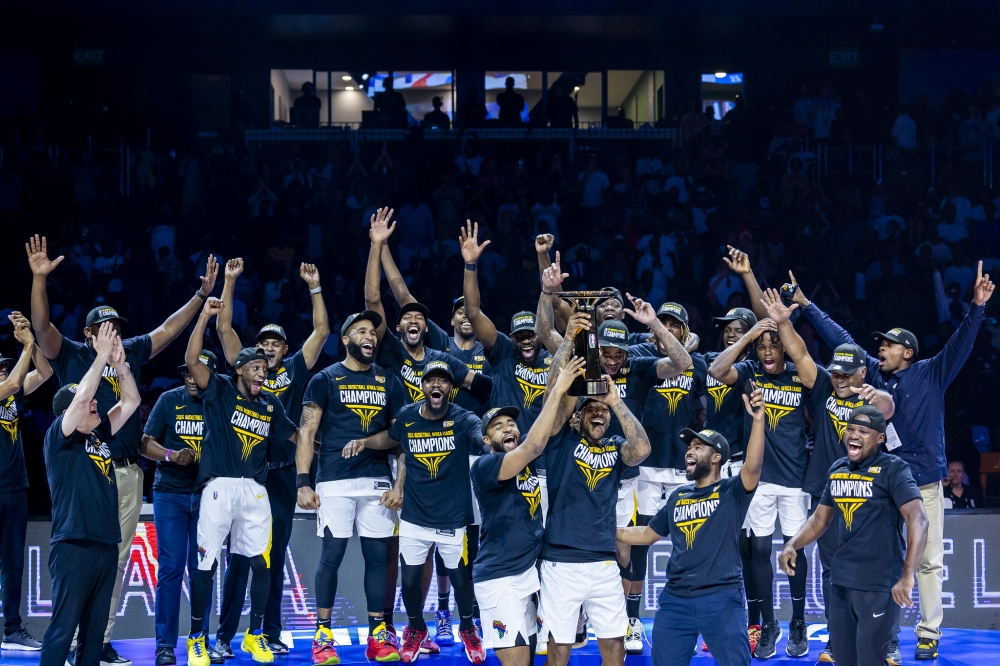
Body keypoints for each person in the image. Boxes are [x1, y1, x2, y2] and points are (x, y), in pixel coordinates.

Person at [27, 234, 219, 666]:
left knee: (114, 560)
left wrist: (200, 295)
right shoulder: (74, 355)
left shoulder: (123, 356)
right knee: (81, 573)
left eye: (119, 328)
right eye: (107, 329)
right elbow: (42, 329)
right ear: (90, 333)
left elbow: (168, 332)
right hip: (80, 468)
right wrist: (40, 281)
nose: (116, 335)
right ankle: (76, 641)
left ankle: (101, 637)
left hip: (123, 468)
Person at [789, 262, 995, 660]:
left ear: (908, 351)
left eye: (887, 344)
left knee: (929, 561)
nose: (879, 347)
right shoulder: (877, 378)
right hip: (882, 482)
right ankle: (887, 638)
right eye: (879, 344)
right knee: (883, 563)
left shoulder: (931, 372)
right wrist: (807, 305)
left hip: (924, 479)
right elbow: (841, 339)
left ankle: (929, 632)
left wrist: (977, 307)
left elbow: (962, 343)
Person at [537, 264, 692, 653]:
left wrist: (655, 324)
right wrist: (567, 326)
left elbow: (683, 364)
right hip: (575, 465)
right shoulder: (585, 363)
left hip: (621, 467)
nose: (610, 360)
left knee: (625, 548)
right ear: (597, 346)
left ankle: (631, 617)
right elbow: (551, 384)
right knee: (574, 534)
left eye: (617, 354)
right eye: (604, 352)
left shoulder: (637, 365)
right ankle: (574, 616)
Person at [214, 259, 330, 656]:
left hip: (282, 477)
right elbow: (224, 330)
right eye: (263, 344)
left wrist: (314, 287)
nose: (268, 348)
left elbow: (322, 331)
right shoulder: (247, 369)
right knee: (240, 558)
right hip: (247, 475)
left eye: (276, 343)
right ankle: (226, 635)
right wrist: (229, 283)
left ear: (285, 347)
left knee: (273, 557)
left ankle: (268, 631)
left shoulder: (297, 367)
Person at [341, 361, 488, 664]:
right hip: (414, 518)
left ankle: (469, 629)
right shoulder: (408, 416)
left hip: (452, 519)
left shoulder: (463, 419)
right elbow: (390, 438)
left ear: (450, 388)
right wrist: (365, 442)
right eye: (431, 380)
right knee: (409, 582)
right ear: (423, 386)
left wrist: (490, 443)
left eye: (443, 381)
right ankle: (417, 629)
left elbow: (479, 435)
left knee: (462, 581)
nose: (437, 385)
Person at [182, 297, 299, 666]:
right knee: (206, 564)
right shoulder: (218, 388)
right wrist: (203, 316)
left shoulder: (270, 405)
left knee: (260, 565)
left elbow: (296, 437)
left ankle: (254, 634)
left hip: (255, 489)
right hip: (219, 486)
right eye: (256, 367)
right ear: (240, 369)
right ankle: (196, 638)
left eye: (266, 368)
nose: (263, 373)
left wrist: (330, 448)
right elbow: (190, 360)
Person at [617, 386, 766, 666]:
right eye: (689, 447)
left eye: (698, 447)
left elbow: (754, 466)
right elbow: (648, 534)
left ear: (716, 457)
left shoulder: (732, 491)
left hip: (721, 597)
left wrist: (758, 422)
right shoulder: (678, 496)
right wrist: (607, 533)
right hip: (676, 599)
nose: (689, 451)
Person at [536, 314, 651, 666]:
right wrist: (570, 338)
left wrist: (614, 401)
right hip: (561, 561)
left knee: (615, 648)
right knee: (559, 648)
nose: (599, 415)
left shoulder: (616, 447)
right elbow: (552, 401)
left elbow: (643, 449)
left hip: (603, 562)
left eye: (603, 411)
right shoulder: (559, 442)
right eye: (592, 409)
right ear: (578, 416)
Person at [294, 310, 406, 665]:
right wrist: (303, 482)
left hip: (377, 481)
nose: (370, 336)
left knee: (378, 559)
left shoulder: (389, 381)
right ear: (345, 339)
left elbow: (400, 436)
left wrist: (399, 483)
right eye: (361, 331)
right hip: (334, 482)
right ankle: (323, 635)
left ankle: (377, 635)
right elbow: (307, 433)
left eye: (373, 332)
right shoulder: (325, 379)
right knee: (331, 557)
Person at [707, 292, 814, 659]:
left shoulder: (801, 376)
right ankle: (769, 624)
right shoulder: (750, 375)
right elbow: (716, 370)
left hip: (796, 478)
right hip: (762, 479)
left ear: (784, 348)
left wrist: (782, 327)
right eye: (763, 347)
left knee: (794, 551)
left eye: (774, 345)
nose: (768, 352)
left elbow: (806, 361)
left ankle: (798, 621)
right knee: (760, 553)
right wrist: (750, 335)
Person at [778, 407, 929, 666]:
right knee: (844, 660)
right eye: (850, 429)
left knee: (869, 660)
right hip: (841, 582)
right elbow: (820, 519)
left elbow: (918, 519)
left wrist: (907, 575)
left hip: (878, 584)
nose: (853, 435)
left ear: (880, 438)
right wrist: (793, 544)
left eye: (863, 431)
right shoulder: (837, 468)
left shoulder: (894, 469)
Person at [470, 354, 584, 666]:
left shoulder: (529, 465)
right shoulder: (485, 466)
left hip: (527, 577)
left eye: (511, 423)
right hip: (500, 579)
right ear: (485, 439)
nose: (507, 428)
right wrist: (557, 389)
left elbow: (554, 425)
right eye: (497, 427)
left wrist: (574, 384)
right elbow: (534, 445)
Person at [39, 323, 140, 666]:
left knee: (94, 637)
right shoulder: (59, 438)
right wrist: (99, 359)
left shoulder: (99, 437)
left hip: (104, 545)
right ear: (69, 413)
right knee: (63, 630)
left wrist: (120, 366)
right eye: (88, 402)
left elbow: (132, 400)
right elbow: (81, 397)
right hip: (74, 545)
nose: (95, 403)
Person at [800, 342, 895, 663]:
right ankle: (836, 638)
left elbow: (890, 410)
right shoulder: (825, 386)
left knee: (878, 567)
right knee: (832, 571)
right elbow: (799, 354)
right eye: (836, 371)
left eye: (847, 373)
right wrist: (784, 321)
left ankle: (887, 640)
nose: (840, 378)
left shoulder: (872, 400)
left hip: (868, 492)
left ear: (863, 373)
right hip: (827, 490)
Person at [142, 352, 217, 666]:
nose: (190, 378)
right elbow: (144, 443)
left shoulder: (221, 402)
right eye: (186, 373)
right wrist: (171, 455)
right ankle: (165, 646)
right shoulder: (168, 400)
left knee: (202, 570)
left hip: (208, 496)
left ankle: (199, 639)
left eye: (196, 373)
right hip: (171, 494)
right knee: (171, 570)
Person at [0, 313, 53, 651]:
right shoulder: (7, 389)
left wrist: (31, 342)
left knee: (14, 564)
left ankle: (12, 629)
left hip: (15, 489)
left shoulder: (12, 398)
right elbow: (14, 383)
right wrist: (28, 344)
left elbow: (45, 373)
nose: (3, 371)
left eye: (5, 366)